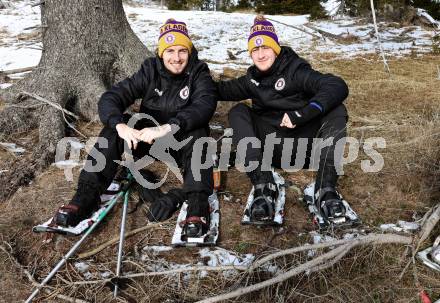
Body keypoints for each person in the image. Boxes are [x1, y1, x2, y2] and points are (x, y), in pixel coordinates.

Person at [54, 18, 217, 237]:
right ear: (161, 52)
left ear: (189, 51)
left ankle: (197, 205)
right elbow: (111, 97)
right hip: (148, 139)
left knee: (198, 134)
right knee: (116, 127)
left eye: (181, 51)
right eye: (170, 51)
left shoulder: (199, 72)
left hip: (181, 141)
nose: (176, 58)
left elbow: (204, 106)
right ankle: (85, 197)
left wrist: (168, 127)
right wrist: (119, 124)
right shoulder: (150, 69)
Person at [217, 15, 349, 223]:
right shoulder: (252, 79)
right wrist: (194, 74)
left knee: (336, 109)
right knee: (238, 111)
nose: (260, 55)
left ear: (275, 48)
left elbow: (337, 85)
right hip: (271, 151)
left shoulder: (295, 70)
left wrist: (302, 114)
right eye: (255, 50)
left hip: (307, 148)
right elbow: (220, 90)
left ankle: (325, 188)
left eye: (265, 48)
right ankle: (263, 184)